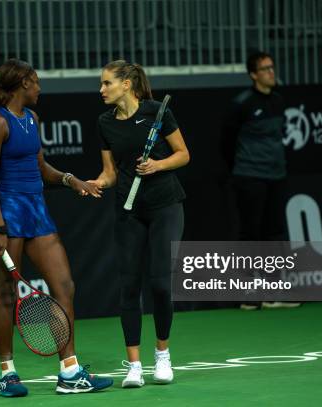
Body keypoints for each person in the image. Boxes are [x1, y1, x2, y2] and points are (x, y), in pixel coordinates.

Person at [0, 58, 113, 396]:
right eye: (36, 82)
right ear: (23, 83)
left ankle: (70, 371)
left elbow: (40, 167)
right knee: (6, 294)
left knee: (64, 287)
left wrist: (70, 179)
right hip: (7, 213)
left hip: (36, 211)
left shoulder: (32, 119)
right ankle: (7, 374)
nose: (40, 88)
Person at [87, 60, 190, 388]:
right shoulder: (105, 122)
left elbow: (183, 154)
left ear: (126, 84)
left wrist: (157, 165)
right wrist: (94, 184)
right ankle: (134, 366)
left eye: (107, 83)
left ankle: (162, 355)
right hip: (128, 211)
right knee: (129, 286)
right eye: (101, 84)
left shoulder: (157, 111)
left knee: (161, 285)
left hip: (165, 206)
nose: (101, 90)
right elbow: (110, 172)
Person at [222, 51, 300, 311]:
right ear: (253, 75)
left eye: (272, 67)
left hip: (276, 176)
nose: (271, 72)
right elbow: (227, 143)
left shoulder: (278, 101)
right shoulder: (241, 104)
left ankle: (272, 292)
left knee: (274, 234)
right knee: (250, 235)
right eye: (265, 69)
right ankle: (249, 294)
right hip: (249, 177)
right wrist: (241, 168)